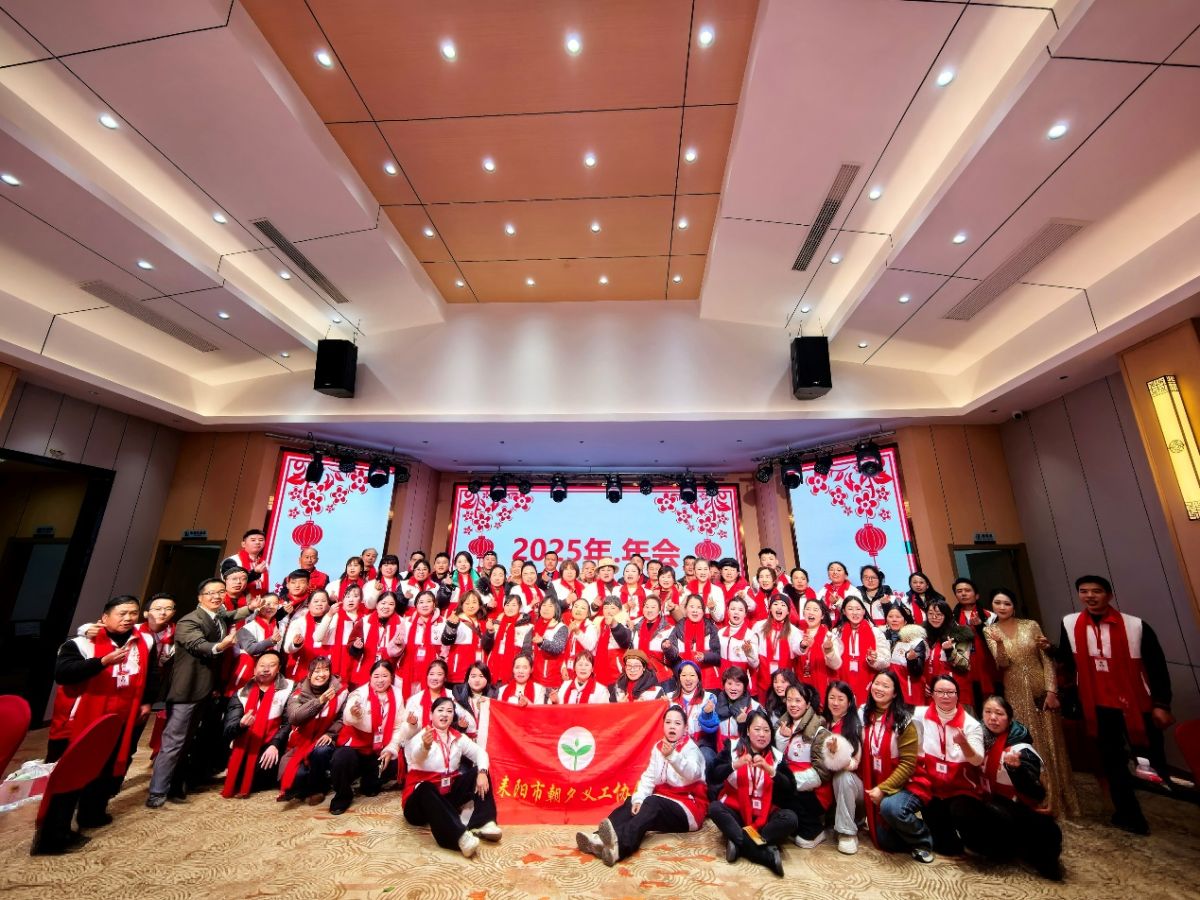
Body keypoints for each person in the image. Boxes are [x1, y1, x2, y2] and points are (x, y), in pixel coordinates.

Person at [1056, 574, 1173, 834]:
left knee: (1150, 760)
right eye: (1084, 591)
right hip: (1097, 705)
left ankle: (1168, 805)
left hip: (1136, 705)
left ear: (1108, 595)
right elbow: (1067, 661)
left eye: (1096, 591)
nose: (1090, 596)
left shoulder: (1135, 626)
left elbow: (1156, 667)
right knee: (1112, 761)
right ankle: (1129, 814)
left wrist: (1162, 703)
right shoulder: (1070, 623)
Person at [41, 596, 157, 852]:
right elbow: (63, 673)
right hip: (81, 720)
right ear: (105, 618)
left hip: (121, 719)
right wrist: (102, 662)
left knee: (107, 768)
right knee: (69, 775)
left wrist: (147, 701)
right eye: (122, 613)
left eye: (133, 613)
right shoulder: (82, 642)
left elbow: (151, 674)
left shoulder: (145, 641)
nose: (128, 618)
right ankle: (53, 835)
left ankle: (92, 813)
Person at [147, 580, 260, 808]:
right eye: (210, 593)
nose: (216, 596)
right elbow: (198, 645)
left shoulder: (217, 616)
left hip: (205, 690)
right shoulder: (190, 621)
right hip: (187, 690)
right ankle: (157, 792)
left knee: (187, 741)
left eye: (220, 592)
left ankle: (175, 785)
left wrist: (250, 608)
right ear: (200, 597)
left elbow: (231, 615)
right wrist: (221, 646)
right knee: (173, 742)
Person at [983, 588, 1079, 817]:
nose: (1002, 607)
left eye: (1007, 603)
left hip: (1041, 690)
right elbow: (1002, 664)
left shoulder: (1031, 625)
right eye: (997, 603)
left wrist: (1051, 691)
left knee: (1051, 743)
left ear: (1014, 606)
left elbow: (1046, 659)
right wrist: (1000, 644)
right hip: (1014, 691)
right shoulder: (990, 630)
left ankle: (1059, 800)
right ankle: (1035, 799)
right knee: (1025, 743)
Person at [577, 705, 707, 865]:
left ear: (686, 728)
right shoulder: (658, 747)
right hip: (664, 801)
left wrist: (673, 756)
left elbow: (693, 773)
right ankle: (597, 838)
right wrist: (638, 800)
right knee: (632, 802)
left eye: (677, 723)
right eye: (668, 722)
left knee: (652, 803)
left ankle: (619, 848)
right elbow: (649, 778)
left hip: (688, 809)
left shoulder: (691, 749)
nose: (672, 726)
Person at [398, 696, 500, 858]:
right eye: (440, 710)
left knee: (478, 772)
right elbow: (416, 757)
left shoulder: (457, 737)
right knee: (425, 787)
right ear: (431, 714)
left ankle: (483, 822)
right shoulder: (422, 736)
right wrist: (425, 746)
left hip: (445, 797)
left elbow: (480, 753)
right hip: (419, 805)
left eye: (449, 711)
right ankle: (459, 838)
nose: (444, 714)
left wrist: (482, 772)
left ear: (453, 716)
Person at [977, 695, 1064, 880]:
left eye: (999, 713)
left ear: (1009, 719)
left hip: (1018, 806)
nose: (993, 718)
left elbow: (1036, 792)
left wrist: (1017, 770)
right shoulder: (977, 740)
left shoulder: (1021, 748)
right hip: (987, 803)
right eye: (988, 712)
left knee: (1046, 832)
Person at [707, 709, 797, 877]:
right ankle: (763, 853)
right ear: (748, 730)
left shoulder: (777, 757)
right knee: (714, 808)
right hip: (736, 811)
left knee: (790, 818)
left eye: (766, 730)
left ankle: (738, 842)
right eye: (757, 729)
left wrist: (771, 771)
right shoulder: (733, 748)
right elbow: (712, 775)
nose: (762, 734)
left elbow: (791, 790)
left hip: (764, 814)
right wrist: (735, 765)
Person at [908, 674, 988, 857]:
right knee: (947, 848)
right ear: (932, 694)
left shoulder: (971, 725)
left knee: (962, 815)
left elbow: (977, 760)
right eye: (940, 692)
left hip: (960, 790)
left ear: (958, 695)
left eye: (950, 692)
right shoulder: (919, 715)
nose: (945, 696)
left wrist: (964, 744)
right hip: (932, 789)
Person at [861, 671, 928, 862]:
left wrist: (883, 788)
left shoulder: (904, 721)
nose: (879, 689)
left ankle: (924, 840)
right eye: (877, 684)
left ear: (895, 693)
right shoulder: (865, 715)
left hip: (908, 783)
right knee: (884, 840)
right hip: (878, 779)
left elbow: (908, 765)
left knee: (890, 807)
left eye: (886, 686)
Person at [775, 683, 850, 850]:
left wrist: (789, 782)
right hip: (793, 783)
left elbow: (821, 774)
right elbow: (779, 758)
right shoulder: (783, 726)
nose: (793, 704)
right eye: (789, 700)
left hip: (815, 793)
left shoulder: (820, 732)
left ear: (808, 704)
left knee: (779, 787)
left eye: (798, 700)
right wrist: (782, 737)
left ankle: (814, 830)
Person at [329, 660, 408, 815]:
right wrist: (355, 714)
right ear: (370, 677)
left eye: (385, 676)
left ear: (391, 677)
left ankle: (369, 780)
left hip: (379, 747)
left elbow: (398, 727)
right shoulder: (359, 693)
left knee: (395, 762)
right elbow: (347, 718)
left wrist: (391, 748)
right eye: (376, 676)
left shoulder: (397, 694)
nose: (380, 680)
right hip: (356, 746)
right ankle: (342, 796)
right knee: (341, 759)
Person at [222, 650, 293, 798]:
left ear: (279, 668)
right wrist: (240, 725)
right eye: (262, 665)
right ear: (254, 669)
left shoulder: (289, 688)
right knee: (239, 777)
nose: (266, 669)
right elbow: (228, 729)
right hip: (246, 743)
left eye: (271, 665)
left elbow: (289, 722)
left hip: (273, 744)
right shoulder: (241, 693)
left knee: (263, 773)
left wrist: (275, 744)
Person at [278, 656, 345, 804]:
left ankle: (317, 789)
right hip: (301, 740)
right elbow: (294, 717)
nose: (322, 674)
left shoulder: (341, 691)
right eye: (317, 671)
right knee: (297, 777)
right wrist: (319, 702)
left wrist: (331, 733)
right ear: (309, 674)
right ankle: (306, 784)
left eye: (326, 670)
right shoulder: (298, 692)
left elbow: (342, 718)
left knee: (321, 751)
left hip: (326, 738)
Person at [824, 681, 863, 854]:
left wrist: (837, 755)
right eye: (831, 697)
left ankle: (847, 832)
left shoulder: (854, 725)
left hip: (854, 788)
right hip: (828, 785)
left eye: (840, 699)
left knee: (843, 777)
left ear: (849, 702)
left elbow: (854, 764)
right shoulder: (823, 723)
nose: (835, 703)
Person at [951, 578, 998, 713]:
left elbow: (996, 643)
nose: (963, 594)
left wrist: (980, 627)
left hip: (986, 666)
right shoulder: (951, 619)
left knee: (991, 706)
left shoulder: (990, 616)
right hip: (963, 668)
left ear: (976, 595)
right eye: (959, 591)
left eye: (967, 590)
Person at [662, 594, 721, 691]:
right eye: (692, 606)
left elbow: (718, 655)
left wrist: (705, 656)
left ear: (703, 611)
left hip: (708, 675)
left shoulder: (711, 627)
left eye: (699, 607)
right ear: (685, 609)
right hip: (684, 673)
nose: (695, 610)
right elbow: (672, 656)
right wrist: (668, 648)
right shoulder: (679, 627)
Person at [835, 596, 889, 701]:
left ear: (864, 611)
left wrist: (874, 660)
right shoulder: (837, 633)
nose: (855, 613)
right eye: (850, 609)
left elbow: (886, 662)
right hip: (843, 681)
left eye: (858, 609)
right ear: (844, 612)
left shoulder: (875, 632)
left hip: (869, 682)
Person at [346, 591, 402, 688]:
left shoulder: (402, 624)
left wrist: (399, 646)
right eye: (383, 603)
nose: (386, 607)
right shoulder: (364, 622)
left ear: (395, 606)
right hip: (366, 669)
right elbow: (351, 647)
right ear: (377, 605)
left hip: (392, 670)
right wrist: (356, 647)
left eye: (391, 604)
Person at [753, 595, 802, 699]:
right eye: (775, 604)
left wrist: (803, 645)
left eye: (783, 605)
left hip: (785, 681)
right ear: (770, 609)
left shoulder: (794, 631)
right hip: (763, 677)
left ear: (788, 611)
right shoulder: (758, 626)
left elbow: (797, 648)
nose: (779, 607)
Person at [795, 599, 840, 702]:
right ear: (803, 613)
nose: (811, 612)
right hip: (801, 686)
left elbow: (836, 665)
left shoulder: (829, 636)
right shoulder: (797, 635)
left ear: (822, 615)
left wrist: (829, 651)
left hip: (823, 686)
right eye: (808, 609)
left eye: (815, 610)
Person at [922, 599, 972, 692]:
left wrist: (950, 651)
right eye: (930, 613)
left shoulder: (959, 634)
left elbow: (964, 666)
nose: (934, 617)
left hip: (954, 688)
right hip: (930, 688)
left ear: (947, 615)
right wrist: (922, 682)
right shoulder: (923, 634)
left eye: (939, 614)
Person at [882, 606, 926, 706]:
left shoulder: (915, 640)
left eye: (898, 617)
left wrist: (912, 660)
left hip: (910, 691)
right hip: (889, 691)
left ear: (905, 621)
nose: (894, 619)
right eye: (890, 616)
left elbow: (917, 672)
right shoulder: (882, 638)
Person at [440, 590, 486, 684]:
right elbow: (446, 640)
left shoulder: (483, 623)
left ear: (479, 604)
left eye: (474, 602)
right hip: (459, 672)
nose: (471, 606)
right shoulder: (456, 620)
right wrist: (451, 626)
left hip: (478, 671)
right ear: (461, 605)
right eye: (467, 603)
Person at [283, 589, 330, 682]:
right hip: (301, 669)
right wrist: (296, 644)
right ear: (308, 604)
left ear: (328, 604)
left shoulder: (332, 621)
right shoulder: (298, 622)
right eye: (316, 601)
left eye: (323, 601)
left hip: (323, 671)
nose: (319, 604)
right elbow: (287, 649)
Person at [585, 597, 633, 685]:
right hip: (600, 662)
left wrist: (614, 625)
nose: (609, 611)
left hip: (616, 665)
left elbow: (625, 640)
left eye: (613, 608)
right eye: (606, 607)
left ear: (620, 610)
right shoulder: (599, 622)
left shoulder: (624, 621)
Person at [523, 596, 568, 686]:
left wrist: (542, 642)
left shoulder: (561, 627)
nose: (546, 609)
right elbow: (526, 649)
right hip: (534, 673)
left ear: (556, 609)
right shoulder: (535, 625)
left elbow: (558, 647)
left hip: (551, 675)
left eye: (550, 606)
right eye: (544, 605)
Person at [712, 666, 759, 752]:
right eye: (729, 683)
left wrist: (744, 724)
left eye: (738, 684)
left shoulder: (755, 707)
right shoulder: (716, 703)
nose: (733, 688)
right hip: (722, 754)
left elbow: (760, 737)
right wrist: (707, 714)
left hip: (745, 755)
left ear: (744, 687)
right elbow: (710, 727)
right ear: (724, 685)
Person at [481, 594, 523, 684]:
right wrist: (490, 632)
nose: (510, 608)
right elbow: (485, 646)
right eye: (507, 605)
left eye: (514, 605)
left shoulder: (526, 626)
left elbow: (526, 651)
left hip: (514, 670)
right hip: (493, 668)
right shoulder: (496, 623)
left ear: (520, 607)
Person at [716, 597, 760, 683]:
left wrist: (749, 653)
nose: (736, 612)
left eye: (740, 610)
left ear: (745, 613)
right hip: (724, 680)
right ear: (727, 611)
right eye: (733, 609)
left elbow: (755, 665)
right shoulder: (720, 633)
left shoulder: (751, 635)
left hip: (741, 681)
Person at [631, 594, 673, 681]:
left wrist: (668, 648)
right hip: (636, 672)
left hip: (659, 675)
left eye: (653, 607)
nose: (649, 610)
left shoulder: (668, 628)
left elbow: (673, 656)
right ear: (643, 609)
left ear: (659, 610)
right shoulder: (633, 625)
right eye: (647, 607)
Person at [221, 529, 269, 599]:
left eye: (261, 540)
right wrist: (255, 572)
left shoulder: (263, 563)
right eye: (253, 540)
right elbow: (232, 583)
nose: (258, 542)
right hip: (238, 601)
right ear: (243, 544)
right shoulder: (232, 560)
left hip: (260, 601)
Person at [453, 662, 494, 737]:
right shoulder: (457, 697)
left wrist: (484, 709)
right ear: (467, 678)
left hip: (487, 740)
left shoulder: (495, 697)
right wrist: (459, 725)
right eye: (473, 676)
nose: (477, 680)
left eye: (481, 676)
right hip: (465, 741)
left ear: (487, 679)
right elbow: (449, 725)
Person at [685, 559, 726, 623]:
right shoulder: (686, 589)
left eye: (705, 569)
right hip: (688, 626)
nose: (703, 572)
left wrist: (713, 608)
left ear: (709, 571)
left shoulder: (716, 590)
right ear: (694, 572)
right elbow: (681, 615)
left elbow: (720, 618)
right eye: (699, 569)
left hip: (709, 627)